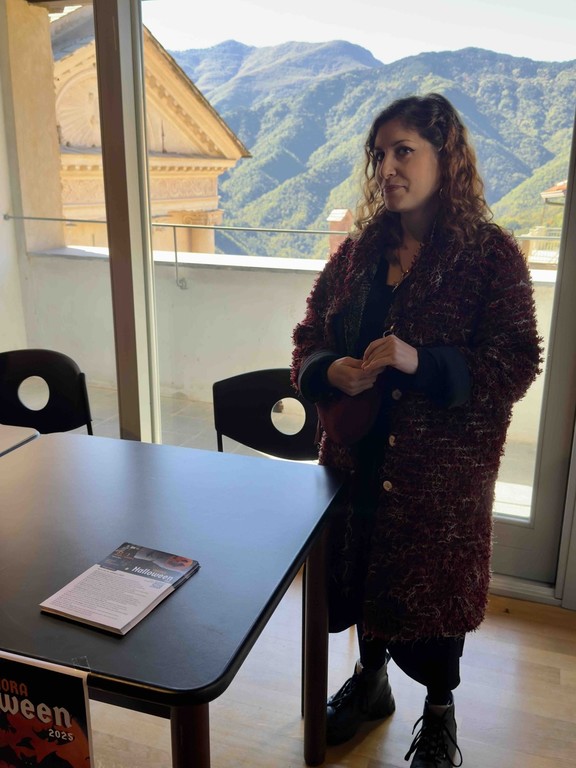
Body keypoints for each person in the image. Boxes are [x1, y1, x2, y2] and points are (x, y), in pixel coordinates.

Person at [291, 93, 542, 767]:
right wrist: (328, 368)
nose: (387, 169)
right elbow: (308, 334)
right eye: (379, 154)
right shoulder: (358, 254)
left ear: (445, 157)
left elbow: (517, 360)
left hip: (439, 476)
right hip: (354, 459)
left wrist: (421, 362)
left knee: (431, 603)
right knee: (362, 574)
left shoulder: (490, 256)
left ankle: (438, 714)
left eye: (404, 151)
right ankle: (370, 683)